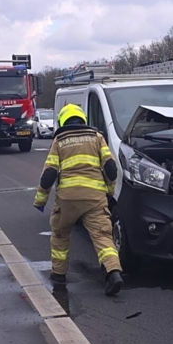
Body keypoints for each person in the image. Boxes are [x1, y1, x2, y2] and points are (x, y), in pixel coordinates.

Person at [33, 104, 124, 296]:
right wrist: (108, 191)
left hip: (68, 199)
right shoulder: (97, 137)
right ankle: (113, 272)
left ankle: (58, 274)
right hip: (95, 198)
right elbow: (110, 168)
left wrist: (40, 201)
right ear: (82, 119)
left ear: (63, 121)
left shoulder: (59, 140)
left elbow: (49, 174)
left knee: (60, 235)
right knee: (102, 236)